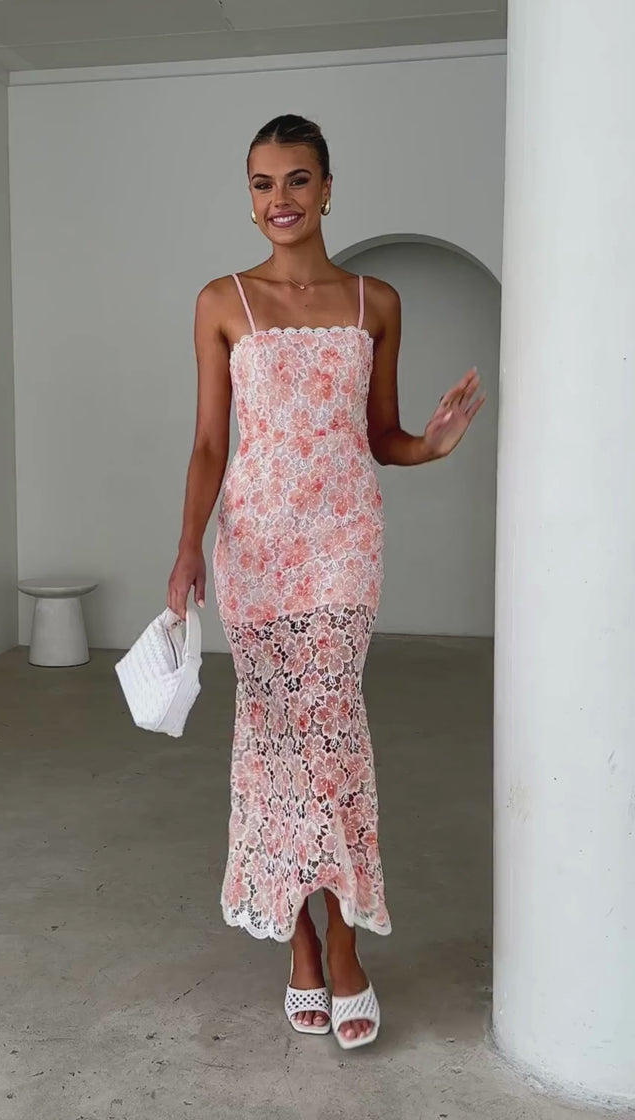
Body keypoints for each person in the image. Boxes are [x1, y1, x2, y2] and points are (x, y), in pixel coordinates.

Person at [167, 114, 484, 1049]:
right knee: (274, 743)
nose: (281, 200)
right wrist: (188, 547)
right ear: (250, 197)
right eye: (263, 184)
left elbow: (379, 436)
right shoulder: (222, 301)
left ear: (329, 189)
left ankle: (344, 942)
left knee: (333, 734)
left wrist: (430, 445)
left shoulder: (374, 301)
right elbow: (210, 444)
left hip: (344, 542)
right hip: (257, 549)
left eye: (298, 180)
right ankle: (298, 939)